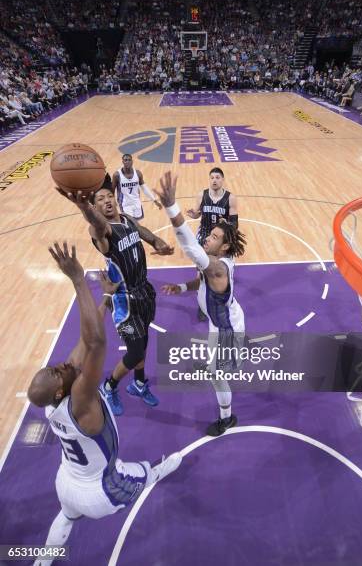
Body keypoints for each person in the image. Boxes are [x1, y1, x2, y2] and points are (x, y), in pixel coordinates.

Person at [28, 242, 181, 566]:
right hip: (101, 489)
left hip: (66, 481)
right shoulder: (80, 398)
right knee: (143, 473)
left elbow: (84, 342)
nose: (61, 366)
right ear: (60, 390)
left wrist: (108, 299)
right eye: (57, 372)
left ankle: (42, 561)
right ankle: (159, 471)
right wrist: (79, 281)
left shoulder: (54, 402)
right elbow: (96, 342)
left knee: (66, 518)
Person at [58, 176, 174, 415]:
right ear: (95, 206)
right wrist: (83, 207)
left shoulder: (127, 220)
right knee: (135, 352)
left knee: (143, 343)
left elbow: (144, 232)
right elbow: (98, 226)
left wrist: (157, 241)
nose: (107, 201)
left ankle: (139, 383)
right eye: (100, 199)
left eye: (109, 196)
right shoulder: (102, 231)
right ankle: (109, 386)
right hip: (124, 301)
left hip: (144, 293)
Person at [156, 172, 247, 437]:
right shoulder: (216, 267)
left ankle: (227, 418)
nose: (208, 238)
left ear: (225, 246)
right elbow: (203, 281)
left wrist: (172, 207)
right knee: (213, 367)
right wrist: (183, 287)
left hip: (227, 328)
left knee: (217, 375)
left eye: (215, 237)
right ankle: (214, 365)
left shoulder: (217, 266)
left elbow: (190, 246)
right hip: (220, 320)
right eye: (210, 235)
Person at [186, 167, 238, 321]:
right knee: (201, 271)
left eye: (217, 177)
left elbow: (235, 223)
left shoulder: (231, 198)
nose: (214, 180)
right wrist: (194, 214)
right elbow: (197, 213)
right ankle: (202, 306)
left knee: (224, 269)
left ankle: (224, 298)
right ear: (209, 180)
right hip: (204, 236)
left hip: (221, 238)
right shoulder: (202, 195)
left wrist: (227, 223)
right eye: (212, 177)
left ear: (222, 180)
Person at [112, 154, 162, 220]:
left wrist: (154, 200)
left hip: (136, 202)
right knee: (130, 223)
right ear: (122, 162)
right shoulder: (117, 175)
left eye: (129, 160)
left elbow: (144, 188)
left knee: (137, 224)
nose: (127, 162)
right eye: (125, 160)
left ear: (132, 161)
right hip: (125, 204)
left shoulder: (138, 173)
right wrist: (113, 202)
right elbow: (112, 190)